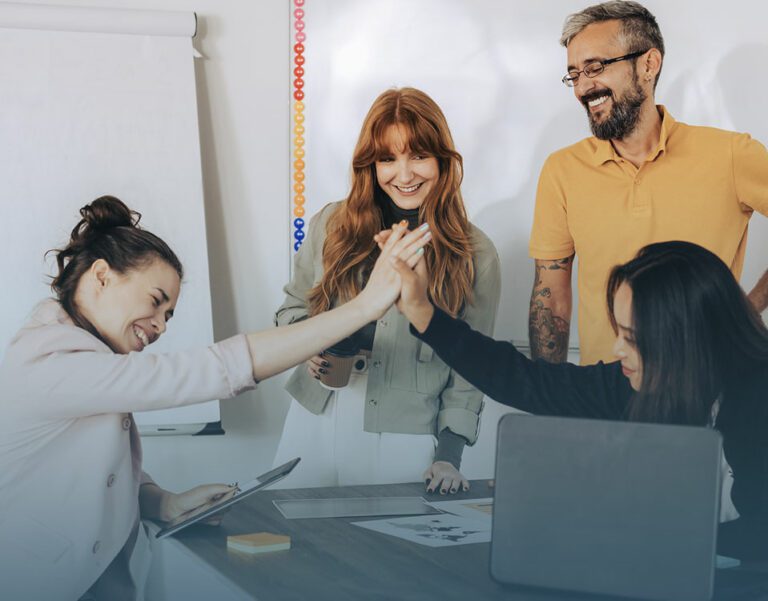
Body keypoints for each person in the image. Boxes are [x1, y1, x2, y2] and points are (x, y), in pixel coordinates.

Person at [0, 195, 429, 601]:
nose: (161, 326)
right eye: (155, 301)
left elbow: (91, 467)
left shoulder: (86, 355)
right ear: (100, 276)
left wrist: (163, 502)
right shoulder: (48, 361)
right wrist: (363, 307)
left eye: (168, 314)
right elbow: (202, 372)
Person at [392, 240, 768, 560]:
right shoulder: (632, 385)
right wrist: (423, 313)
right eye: (618, 332)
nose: (618, 349)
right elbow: (525, 381)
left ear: (688, 337)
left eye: (633, 338)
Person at [273, 87, 501, 493]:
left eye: (418, 155)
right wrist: (309, 346)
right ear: (371, 165)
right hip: (314, 414)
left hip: (404, 432)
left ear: (442, 160)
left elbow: (472, 368)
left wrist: (449, 455)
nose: (405, 174)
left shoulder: (475, 253)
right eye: (388, 159)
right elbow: (291, 310)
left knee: (385, 554)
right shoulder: (332, 224)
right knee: (295, 545)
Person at [528, 0, 768, 365]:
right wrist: (549, 397)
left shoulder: (731, 155)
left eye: (595, 67)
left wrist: (747, 313)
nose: (583, 88)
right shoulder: (562, 170)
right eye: (574, 74)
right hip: (605, 390)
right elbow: (551, 294)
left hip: (709, 384)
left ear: (649, 64)